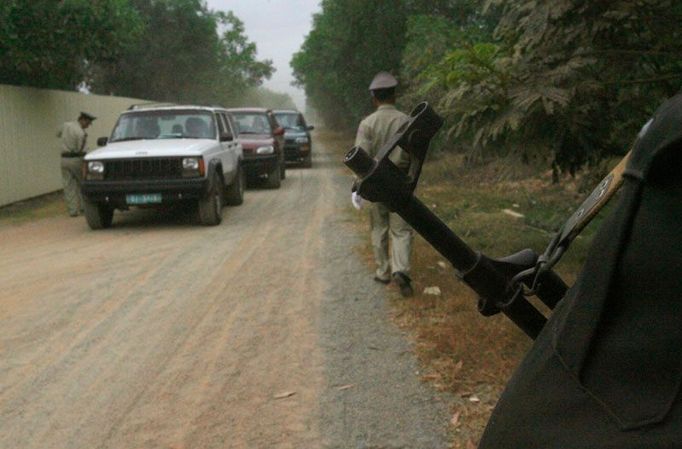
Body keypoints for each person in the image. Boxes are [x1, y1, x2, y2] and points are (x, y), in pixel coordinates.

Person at [354, 72, 414, 297]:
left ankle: (383, 271)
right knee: (401, 230)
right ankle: (402, 271)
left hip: (376, 184)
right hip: (401, 183)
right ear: (394, 95)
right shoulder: (407, 121)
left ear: (374, 98)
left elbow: (360, 158)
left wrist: (358, 186)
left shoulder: (367, 123)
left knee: (379, 228)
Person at [57, 111, 95, 217]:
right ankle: (84, 207)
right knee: (82, 183)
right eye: (88, 122)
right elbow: (80, 149)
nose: (88, 125)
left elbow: (57, 134)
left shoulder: (66, 125)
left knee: (68, 185)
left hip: (64, 159)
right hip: (76, 159)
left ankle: (73, 210)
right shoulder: (81, 133)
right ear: (83, 120)